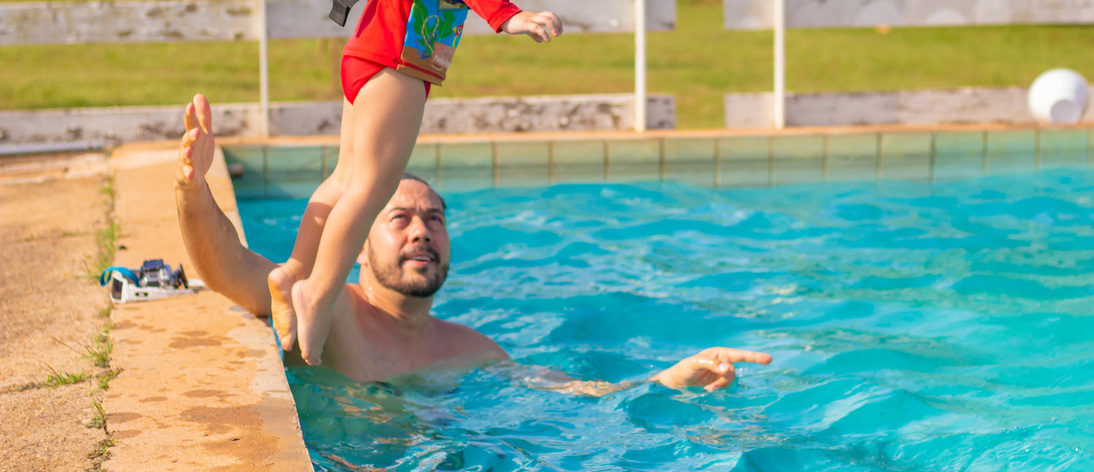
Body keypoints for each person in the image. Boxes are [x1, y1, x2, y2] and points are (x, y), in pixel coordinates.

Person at [270, 0, 565, 367]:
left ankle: (294, 270)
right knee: (373, 185)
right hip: (399, 61)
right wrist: (508, 15)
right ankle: (317, 292)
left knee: (345, 175)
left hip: (368, 47)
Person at [177, 94, 773, 391]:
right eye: (401, 218)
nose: (422, 231)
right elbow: (229, 269)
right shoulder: (328, 309)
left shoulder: (472, 350)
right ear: (355, 242)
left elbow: (578, 396)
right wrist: (193, 189)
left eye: (435, 219)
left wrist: (669, 377)